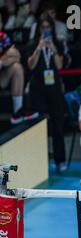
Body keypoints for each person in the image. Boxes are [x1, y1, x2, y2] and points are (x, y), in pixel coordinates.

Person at [26, 13, 67, 172]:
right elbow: (30, 65)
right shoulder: (33, 44)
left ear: (52, 27)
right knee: (39, 126)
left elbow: (60, 65)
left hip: (54, 88)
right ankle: (39, 161)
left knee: (58, 124)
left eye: (48, 27)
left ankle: (60, 161)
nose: (45, 30)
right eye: (43, 27)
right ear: (39, 29)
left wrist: (53, 48)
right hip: (38, 89)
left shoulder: (57, 42)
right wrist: (39, 48)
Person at [0, 31, 30, 125]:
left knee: (17, 67)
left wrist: (4, 61)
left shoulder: (3, 36)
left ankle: (17, 112)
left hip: (2, 77)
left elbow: (16, 55)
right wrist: (2, 61)